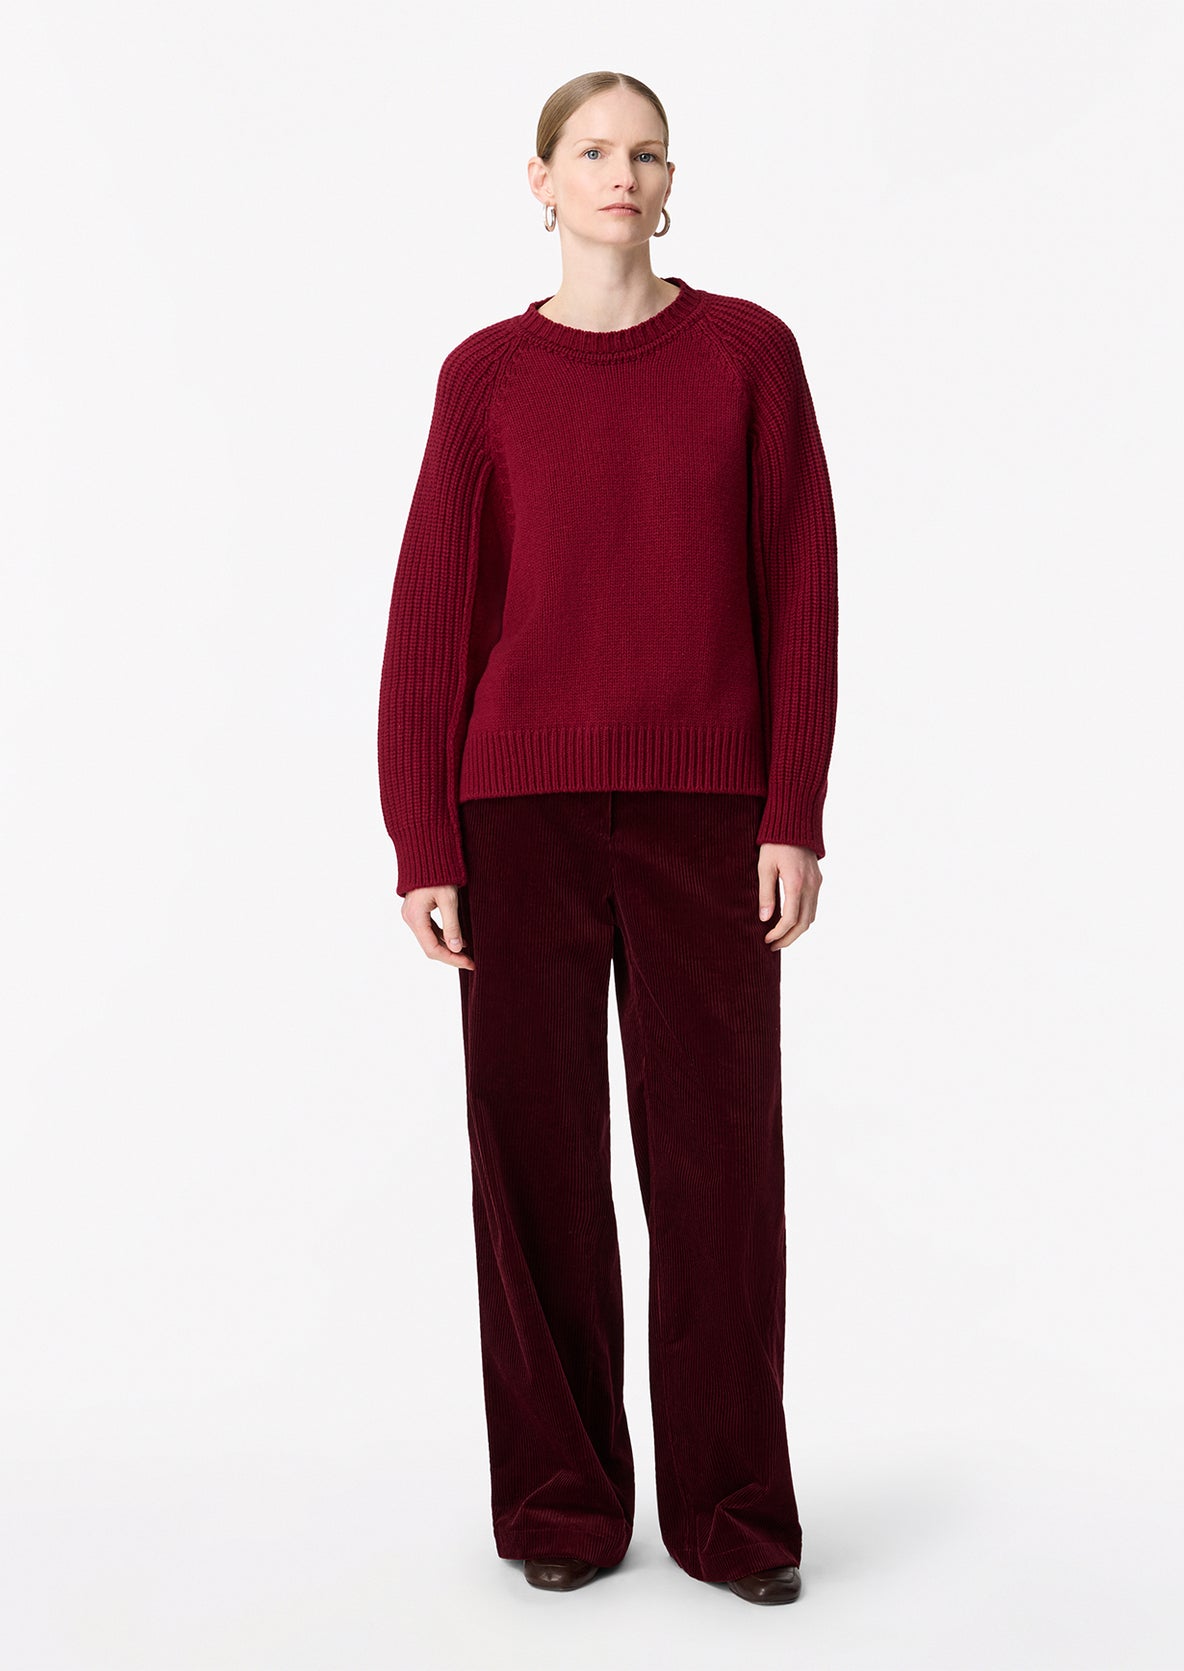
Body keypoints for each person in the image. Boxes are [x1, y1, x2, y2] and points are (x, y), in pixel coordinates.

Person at [377, 70, 838, 1607]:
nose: (620, 174)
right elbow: (433, 614)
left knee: (720, 1168)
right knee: (536, 1168)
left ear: (671, 180)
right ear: (541, 181)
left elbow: (801, 584)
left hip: (711, 814)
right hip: (517, 815)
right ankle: (561, 1506)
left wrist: (792, 810)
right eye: (591, 151)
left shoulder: (749, 355)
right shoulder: (486, 378)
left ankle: (735, 1515)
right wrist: (421, 837)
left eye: (645, 152)